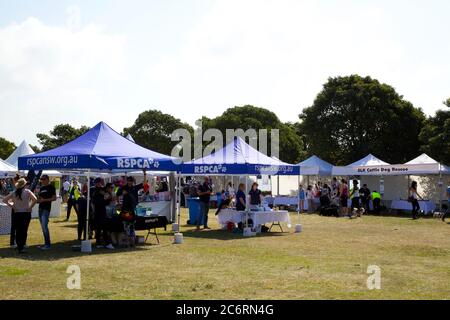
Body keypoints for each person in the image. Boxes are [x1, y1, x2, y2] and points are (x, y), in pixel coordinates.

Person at [3, 178, 37, 254]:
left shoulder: (14, 192)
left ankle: (20, 247)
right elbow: (35, 199)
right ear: (24, 184)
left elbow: (4, 200)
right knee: (24, 230)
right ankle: (22, 245)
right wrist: (30, 207)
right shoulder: (27, 191)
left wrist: (13, 206)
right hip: (25, 213)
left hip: (17, 213)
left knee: (18, 231)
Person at [92, 178, 114, 249]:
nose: (98, 184)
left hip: (103, 211)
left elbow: (108, 198)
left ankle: (107, 243)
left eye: (99, 182)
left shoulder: (103, 189)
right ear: (95, 183)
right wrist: (104, 199)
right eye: (97, 183)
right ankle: (99, 243)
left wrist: (108, 197)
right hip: (97, 211)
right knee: (98, 228)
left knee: (104, 228)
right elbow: (96, 202)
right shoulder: (94, 190)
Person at [36, 175, 56, 250]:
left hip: (46, 209)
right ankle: (46, 243)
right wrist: (37, 199)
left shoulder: (51, 187)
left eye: (43, 179)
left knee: (44, 226)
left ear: (47, 179)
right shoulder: (42, 188)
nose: (42, 180)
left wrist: (44, 200)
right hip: (40, 208)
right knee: (43, 227)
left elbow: (54, 198)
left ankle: (48, 245)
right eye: (41, 179)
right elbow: (40, 198)